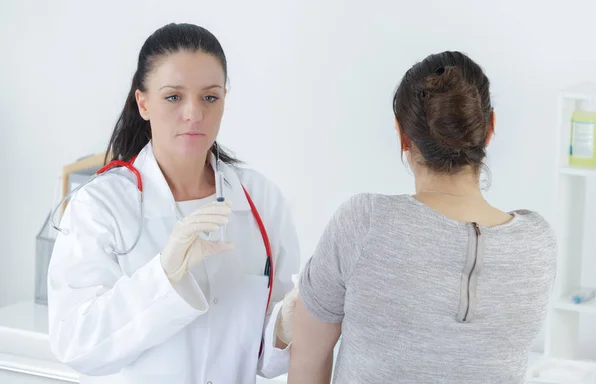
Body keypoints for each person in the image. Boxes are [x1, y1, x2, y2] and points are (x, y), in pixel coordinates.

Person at [47, 23, 300, 384]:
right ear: (144, 102)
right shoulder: (101, 205)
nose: (194, 114)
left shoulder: (261, 200)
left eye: (210, 97)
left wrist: (286, 327)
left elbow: (263, 356)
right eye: (173, 97)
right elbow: (76, 342)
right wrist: (163, 277)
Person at [288, 51, 557, 383]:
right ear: (490, 129)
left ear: (403, 136)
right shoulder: (537, 243)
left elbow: (307, 358)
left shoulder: (364, 223)